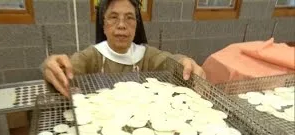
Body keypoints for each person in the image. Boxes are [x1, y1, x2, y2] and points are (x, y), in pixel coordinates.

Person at [42, 0, 205, 97]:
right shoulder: (91, 56)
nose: (121, 25)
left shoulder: (146, 56)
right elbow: (66, 70)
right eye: (113, 18)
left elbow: (170, 61)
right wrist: (51, 66)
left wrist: (184, 62)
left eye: (129, 18)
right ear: (103, 25)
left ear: (136, 25)